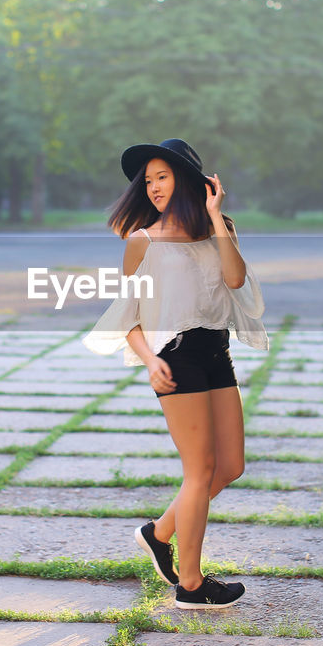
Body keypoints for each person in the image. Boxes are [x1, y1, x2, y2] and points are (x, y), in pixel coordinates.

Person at [83, 138, 268, 609]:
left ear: (187, 179)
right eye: (147, 180)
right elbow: (127, 316)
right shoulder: (142, 242)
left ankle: (159, 533)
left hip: (215, 352)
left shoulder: (219, 228)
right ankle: (190, 584)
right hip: (177, 355)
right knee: (199, 469)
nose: (153, 187)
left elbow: (233, 279)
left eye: (162, 177)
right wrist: (151, 360)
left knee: (230, 467)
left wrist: (214, 217)